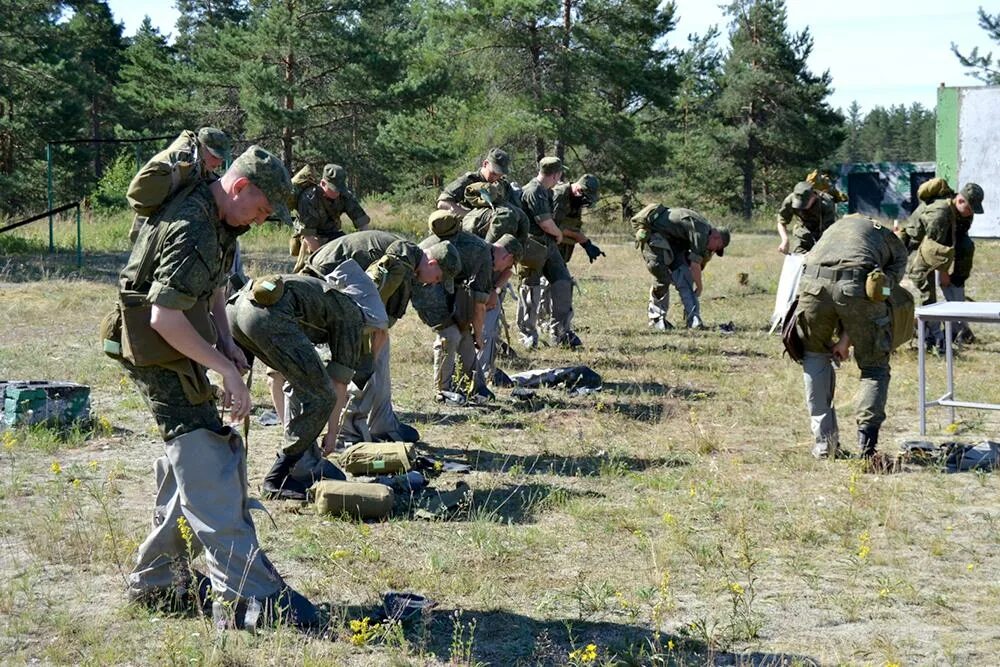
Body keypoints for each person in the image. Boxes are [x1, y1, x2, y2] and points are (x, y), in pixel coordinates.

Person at [112, 145, 318, 629]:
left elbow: (215, 287)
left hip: (181, 346)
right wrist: (224, 371)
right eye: (262, 209)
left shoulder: (223, 220)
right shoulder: (194, 224)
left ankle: (159, 580)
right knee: (205, 456)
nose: (262, 221)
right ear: (240, 186)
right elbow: (164, 318)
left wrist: (226, 343)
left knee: (194, 455)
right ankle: (248, 596)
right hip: (157, 350)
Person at [300, 230, 462, 443]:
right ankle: (349, 431)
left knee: (378, 354)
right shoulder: (402, 258)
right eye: (438, 277)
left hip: (336, 291)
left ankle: (381, 423)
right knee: (365, 362)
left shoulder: (408, 258)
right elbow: (370, 298)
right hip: (325, 289)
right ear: (432, 262)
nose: (434, 283)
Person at [227, 273, 364, 500]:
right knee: (322, 397)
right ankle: (277, 477)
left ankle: (300, 463)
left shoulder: (327, 297)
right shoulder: (353, 318)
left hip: (235, 308)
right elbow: (337, 384)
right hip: (266, 317)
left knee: (304, 383)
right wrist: (332, 433)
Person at [793, 213, 908, 461]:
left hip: (811, 285)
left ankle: (824, 444)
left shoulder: (834, 228)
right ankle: (867, 447)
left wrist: (845, 339)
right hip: (856, 287)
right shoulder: (888, 238)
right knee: (874, 367)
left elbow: (837, 288)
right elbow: (880, 290)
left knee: (814, 357)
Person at [411, 211, 516, 404]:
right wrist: (479, 335)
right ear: (507, 257)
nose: (504, 270)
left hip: (436, 279)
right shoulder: (482, 254)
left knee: (461, 332)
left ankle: (476, 386)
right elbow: (479, 306)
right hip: (424, 280)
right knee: (450, 333)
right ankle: (443, 391)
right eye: (509, 265)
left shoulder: (474, 245)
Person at [900, 182, 984, 352]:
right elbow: (933, 249)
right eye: (970, 208)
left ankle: (957, 322)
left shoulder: (963, 213)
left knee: (967, 246)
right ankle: (931, 334)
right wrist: (943, 272)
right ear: (960, 201)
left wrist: (953, 278)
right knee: (923, 279)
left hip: (938, 241)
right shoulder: (940, 214)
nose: (971, 213)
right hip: (916, 241)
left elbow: (956, 240)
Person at [515, 157, 583, 349]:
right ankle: (528, 336)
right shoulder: (533, 190)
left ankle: (561, 333)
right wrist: (559, 234)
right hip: (532, 247)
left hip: (548, 246)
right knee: (530, 290)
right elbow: (544, 222)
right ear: (556, 174)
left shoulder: (545, 191)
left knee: (563, 283)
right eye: (560, 174)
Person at [126, 127, 232, 243]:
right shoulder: (182, 160)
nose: (218, 163)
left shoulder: (199, 161)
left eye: (221, 158)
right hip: (152, 224)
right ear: (202, 147)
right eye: (215, 156)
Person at [637, 206, 730, 330]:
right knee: (661, 277)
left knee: (684, 273)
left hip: (671, 240)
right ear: (717, 237)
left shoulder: (703, 230)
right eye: (717, 247)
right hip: (653, 234)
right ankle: (656, 320)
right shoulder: (701, 233)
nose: (713, 251)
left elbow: (692, 266)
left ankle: (694, 319)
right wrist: (700, 287)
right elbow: (695, 265)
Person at [538, 174, 604, 333]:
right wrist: (582, 239)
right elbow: (553, 226)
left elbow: (573, 225)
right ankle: (543, 322)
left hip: (562, 249)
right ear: (579, 189)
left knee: (557, 285)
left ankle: (554, 322)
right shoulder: (560, 195)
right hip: (548, 247)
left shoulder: (576, 199)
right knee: (546, 284)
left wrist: (585, 243)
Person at [290, 163, 370, 271]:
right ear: (323, 183)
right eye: (334, 189)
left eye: (339, 189)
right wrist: (325, 259)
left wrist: (364, 247)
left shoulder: (344, 194)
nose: (337, 192)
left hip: (333, 234)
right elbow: (309, 236)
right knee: (310, 271)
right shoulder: (309, 198)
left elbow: (362, 223)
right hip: (312, 238)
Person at [437, 148, 518, 217]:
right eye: (493, 173)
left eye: (499, 175)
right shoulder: (468, 180)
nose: (496, 177)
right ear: (485, 164)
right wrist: (471, 216)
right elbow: (442, 203)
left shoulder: (502, 184)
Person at [776, 181, 838, 255]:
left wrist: (818, 250)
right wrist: (785, 240)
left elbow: (829, 229)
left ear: (813, 197)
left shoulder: (826, 203)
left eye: (804, 204)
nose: (801, 207)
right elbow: (781, 222)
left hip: (822, 233)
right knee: (798, 258)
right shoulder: (790, 200)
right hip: (803, 232)